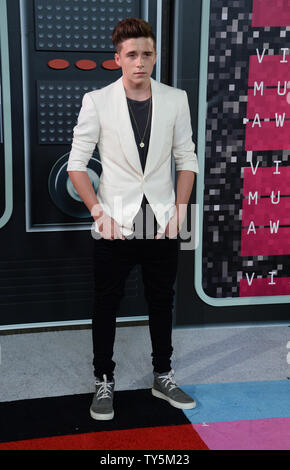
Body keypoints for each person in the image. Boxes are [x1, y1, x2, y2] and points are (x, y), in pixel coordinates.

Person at [67, 18, 199, 421]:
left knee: (162, 301)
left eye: (147, 54)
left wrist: (179, 212)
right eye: (132, 55)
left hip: (161, 220)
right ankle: (103, 379)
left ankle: (163, 374)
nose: (140, 62)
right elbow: (76, 164)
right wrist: (97, 212)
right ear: (118, 59)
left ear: (155, 56)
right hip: (116, 222)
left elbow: (186, 159)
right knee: (106, 303)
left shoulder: (176, 99)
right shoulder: (97, 101)